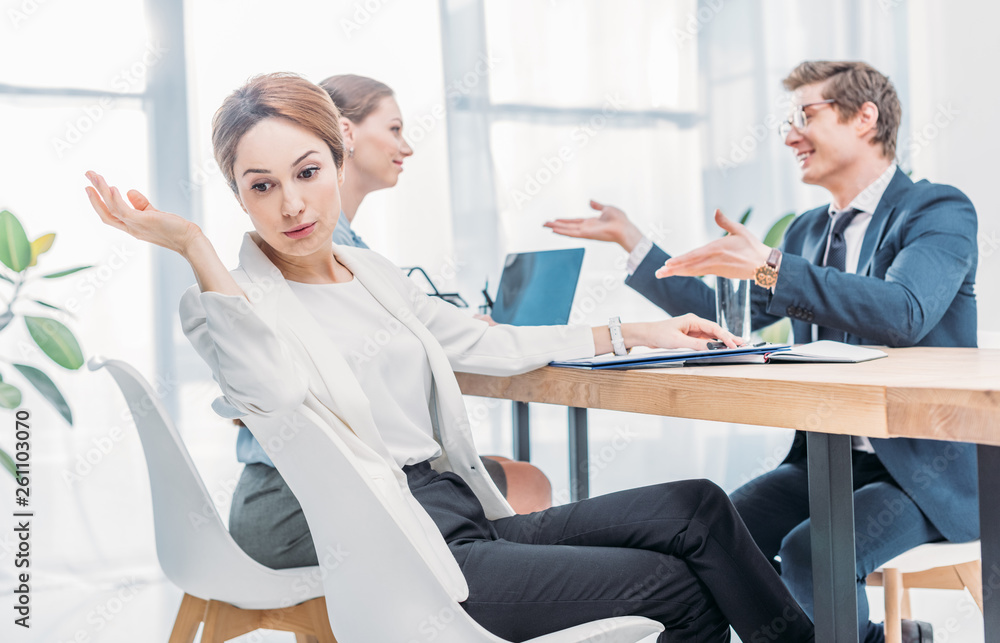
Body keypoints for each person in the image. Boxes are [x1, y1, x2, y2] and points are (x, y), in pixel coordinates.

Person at [83, 72, 815, 643]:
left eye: (307, 172)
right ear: (239, 198)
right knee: (673, 585)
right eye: (261, 187)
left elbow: (486, 343)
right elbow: (271, 396)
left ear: (337, 159)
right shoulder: (229, 306)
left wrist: (636, 333)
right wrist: (194, 248)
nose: (291, 205)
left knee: (696, 505)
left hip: (454, 509)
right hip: (399, 542)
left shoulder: (371, 273)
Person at [545, 60, 979, 643]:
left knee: (809, 553)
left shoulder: (936, 210)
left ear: (865, 118)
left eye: (806, 115)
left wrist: (772, 267)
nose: (789, 134)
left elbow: (903, 312)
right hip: (829, 459)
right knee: (714, 535)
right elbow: (723, 314)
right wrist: (635, 243)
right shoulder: (804, 233)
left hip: (925, 472)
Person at [319, 74, 411, 249]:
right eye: (395, 129)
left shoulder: (343, 239)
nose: (408, 150)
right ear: (346, 132)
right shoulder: (329, 243)